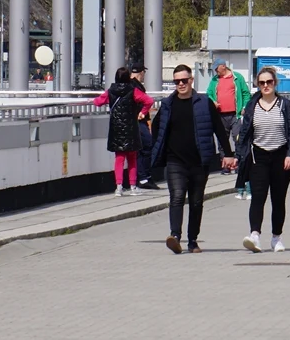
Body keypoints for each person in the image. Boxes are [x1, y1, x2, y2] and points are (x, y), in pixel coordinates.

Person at [149, 64, 237, 254]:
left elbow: (219, 129)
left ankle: (192, 241)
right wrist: (158, 148)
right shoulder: (167, 105)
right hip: (175, 161)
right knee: (177, 196)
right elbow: (157, 128)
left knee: (196, 202)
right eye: (177, 81)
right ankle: (175, 236)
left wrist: (228, 154)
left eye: (184, 80)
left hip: (199, 161)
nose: (181, 84)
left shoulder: (204, 103)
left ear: (191, 80)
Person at [237, 67, 290, 253]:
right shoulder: (252, 105)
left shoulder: (285, 105)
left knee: (278, 199)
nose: (266, 86)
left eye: (269, 82)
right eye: (262, 83)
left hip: (281, 157)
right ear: (257, 85)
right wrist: (240, 154)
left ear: (275, 83)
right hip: (258, 156)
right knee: (257, 198)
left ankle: (276, 238)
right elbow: (245, 132)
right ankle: (255, 236)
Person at [93, 67, 156, 196]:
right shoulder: (133, 91)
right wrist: (142, 113)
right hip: (131, 127)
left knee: (119, 158)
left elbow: (97, 102)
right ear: (128, 78)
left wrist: (90, 100)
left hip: (116, 128)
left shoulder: (110, 91)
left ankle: (119, 187)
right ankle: (133, 186)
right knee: (132, 158)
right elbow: (149, 101)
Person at [207, 60, 251, 176]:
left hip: (235, 114)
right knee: (222, 140)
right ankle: (225, 165)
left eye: (217, 69)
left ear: (223, 66)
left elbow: (246, 93)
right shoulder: (214, 80)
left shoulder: (237, 78)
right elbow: (209, 94)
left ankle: (238, 163)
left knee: (238, 138)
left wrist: (245, 106)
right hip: (220, 115)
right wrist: (213, 102)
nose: (216, 71)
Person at [127, 65, 161, 191]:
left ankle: (141, 177)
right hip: (138, 121)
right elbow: (146, 101)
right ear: (141, 73)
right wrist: (144, 115)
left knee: (138, 149)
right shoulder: (136, 86)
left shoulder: (128, 84)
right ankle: (144, 177)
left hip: (132, 121)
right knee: (147, 145)